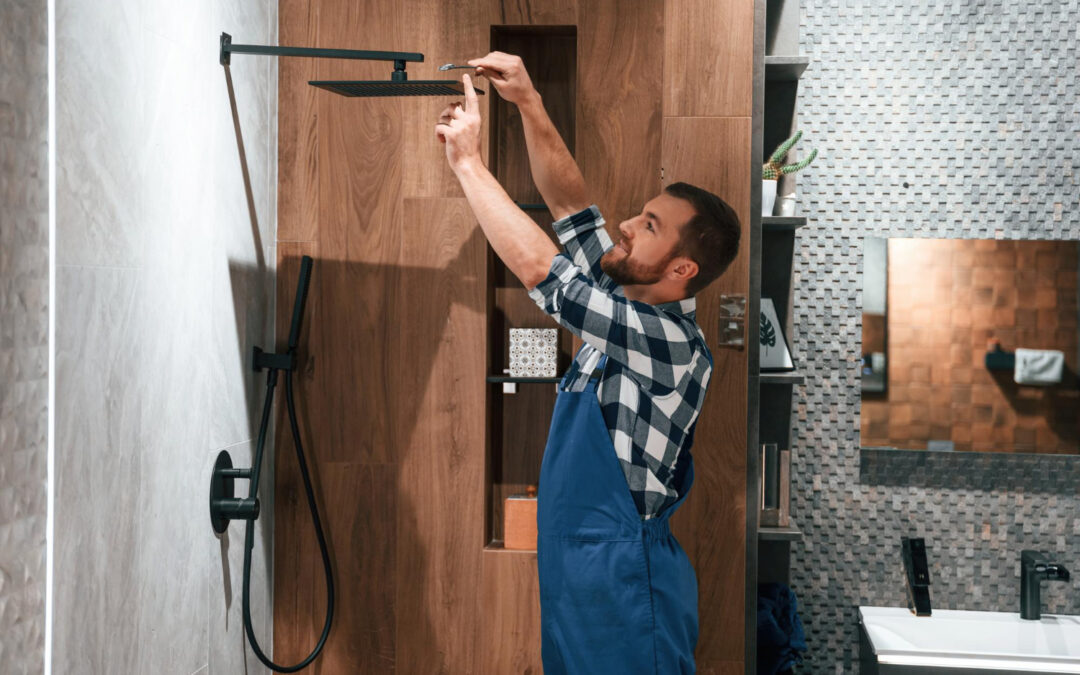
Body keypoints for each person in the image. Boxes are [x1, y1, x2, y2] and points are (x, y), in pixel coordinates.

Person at [435, 52, 741, 674]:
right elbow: (573, 209)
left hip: (628, 584)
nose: (627, 225)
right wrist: (527, 98)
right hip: (579, 574)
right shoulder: (623, 298)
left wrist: (468, 163)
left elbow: (542, 273)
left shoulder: (670, 343)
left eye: (649, 226)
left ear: (682, 270)